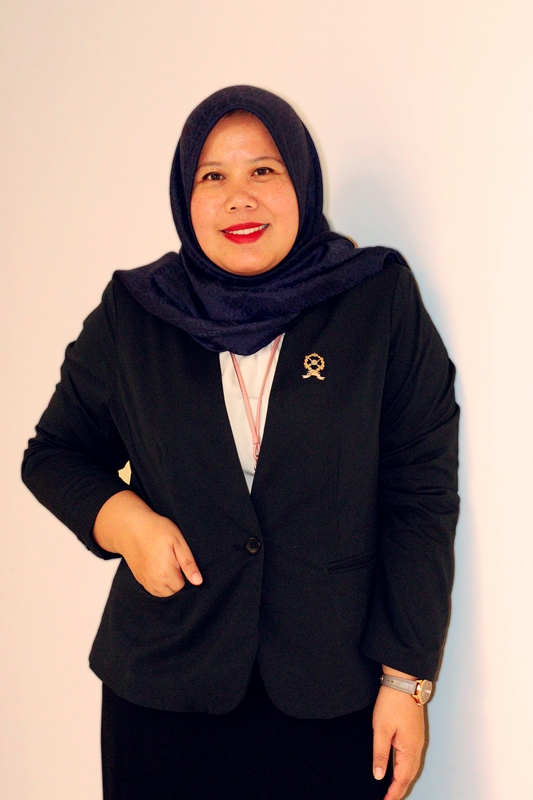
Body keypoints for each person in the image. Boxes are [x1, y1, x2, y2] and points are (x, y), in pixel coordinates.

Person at [22, 85, 459, 800]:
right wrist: (124, 522)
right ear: (185, 196)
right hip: (163, 695)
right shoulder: (136, 313)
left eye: (263, 170)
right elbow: (54, 452)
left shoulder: (376, 302)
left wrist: (405, 682)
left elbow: (420, 497)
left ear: (301, 181)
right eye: (212, 177)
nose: (238, 198)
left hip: (331, 694)